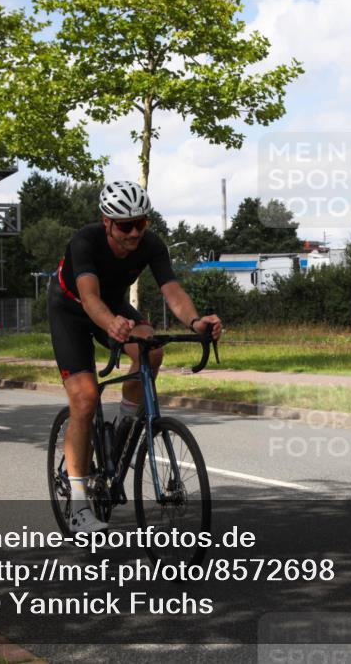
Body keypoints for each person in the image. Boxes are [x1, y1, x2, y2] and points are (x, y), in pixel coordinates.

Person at [48, 180, 222, 533]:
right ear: (107, 221)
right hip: (73, 309)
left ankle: (125, 426)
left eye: (141, 223)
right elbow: (90, 296)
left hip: (112, 308)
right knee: (84, 399)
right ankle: (80, 505)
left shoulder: (151, 244)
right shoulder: (85, 241)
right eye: (126, 225)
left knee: (152, 350)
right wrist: (111, 323)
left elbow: (172, 290)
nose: (134, 233)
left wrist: (195, 320)